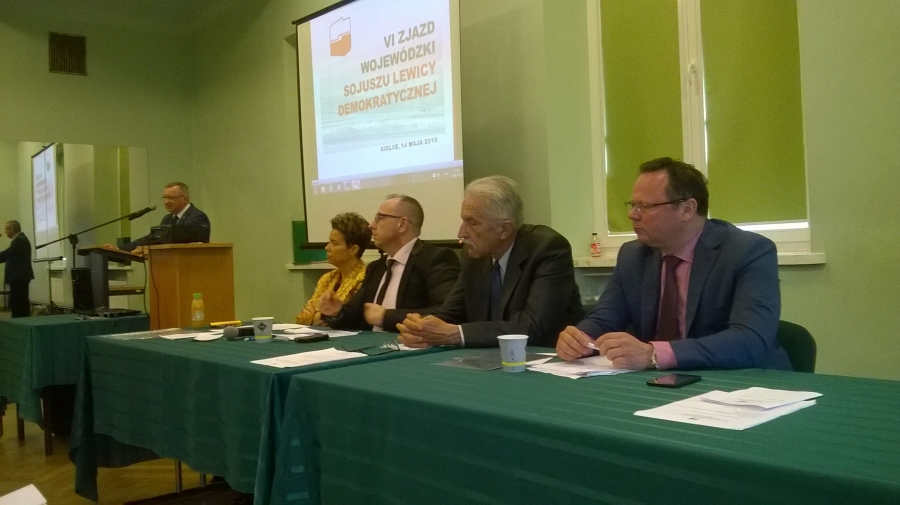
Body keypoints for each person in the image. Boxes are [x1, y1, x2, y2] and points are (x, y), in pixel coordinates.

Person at [556, 157, 792, 370]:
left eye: (645, 206)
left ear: (687, 209)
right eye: (632, 205)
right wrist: (580, 338)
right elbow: (605, 317)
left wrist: (653, 354)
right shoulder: (633, 255)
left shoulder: (748, 251)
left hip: (744, 384)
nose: (632, 215)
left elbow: (750, 340)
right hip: (661, 384)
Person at [398, 176, 583, 348]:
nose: (461, 233)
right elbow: (451, 313)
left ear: (504, 229)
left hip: (546, 359)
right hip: (491, 358)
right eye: (463, 221)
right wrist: (421, 327)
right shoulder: (474, 255)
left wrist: (456, 334)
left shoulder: (548, 248)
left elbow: (532, 327)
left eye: (472, 222)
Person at [319, 195, 460, 331]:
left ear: (402, 224)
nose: (371, 225)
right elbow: (356, 314)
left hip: (409, 344)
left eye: (379, 218)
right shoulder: (376, 267)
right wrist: (337, 312)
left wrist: (386, 317)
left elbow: (448, 312)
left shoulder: (435, 259)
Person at [296, 212, 371, 325]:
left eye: (334, 243)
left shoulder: (365, 279)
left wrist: (317, 316)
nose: (327, 248)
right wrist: (319, 317)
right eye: (329, 242)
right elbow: (302, 317)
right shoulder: (327, 278)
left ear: (353, 250)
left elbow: (347, 319)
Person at [121, 182, 210, 251]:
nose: (166, 202)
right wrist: (121, 249)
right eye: (165, 198)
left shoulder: (197, 217)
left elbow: (193, 246)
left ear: (185, 199)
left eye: (171, 198)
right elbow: (152, 239)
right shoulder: (167, 219)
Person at [0, 220, 35, 317]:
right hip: (19, 276)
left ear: (12, 229)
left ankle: (20, 322)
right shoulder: (19, 239)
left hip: (19, 277)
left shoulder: (20, 240)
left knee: (18, 303)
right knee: (18, 302)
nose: (5, 231)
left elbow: (8, 254)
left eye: (7, 229)